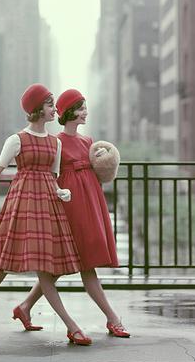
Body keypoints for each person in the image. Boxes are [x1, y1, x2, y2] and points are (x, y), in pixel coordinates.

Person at [0, 83, 92, 345]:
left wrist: (61, 192)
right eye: (49, 104)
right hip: (22, 204)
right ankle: (72, 326)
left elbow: (53, 177)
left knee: (19, 265)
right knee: (15, 265)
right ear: (37, 109)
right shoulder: (17, 139)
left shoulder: (55, 143)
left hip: (47, 206)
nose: (54, 109)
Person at [14, 88, 130, 338]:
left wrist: (105, 158)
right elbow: (50, 174)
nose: (85, 112)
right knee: (84, 264)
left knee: (61, 266)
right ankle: (112, 318)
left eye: (85, 107)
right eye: (80, 108)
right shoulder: (55, 141)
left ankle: (24, 307)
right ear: (68, 112)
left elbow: (101, 171)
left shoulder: (88, 141)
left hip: (91, 201)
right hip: (69, 203)